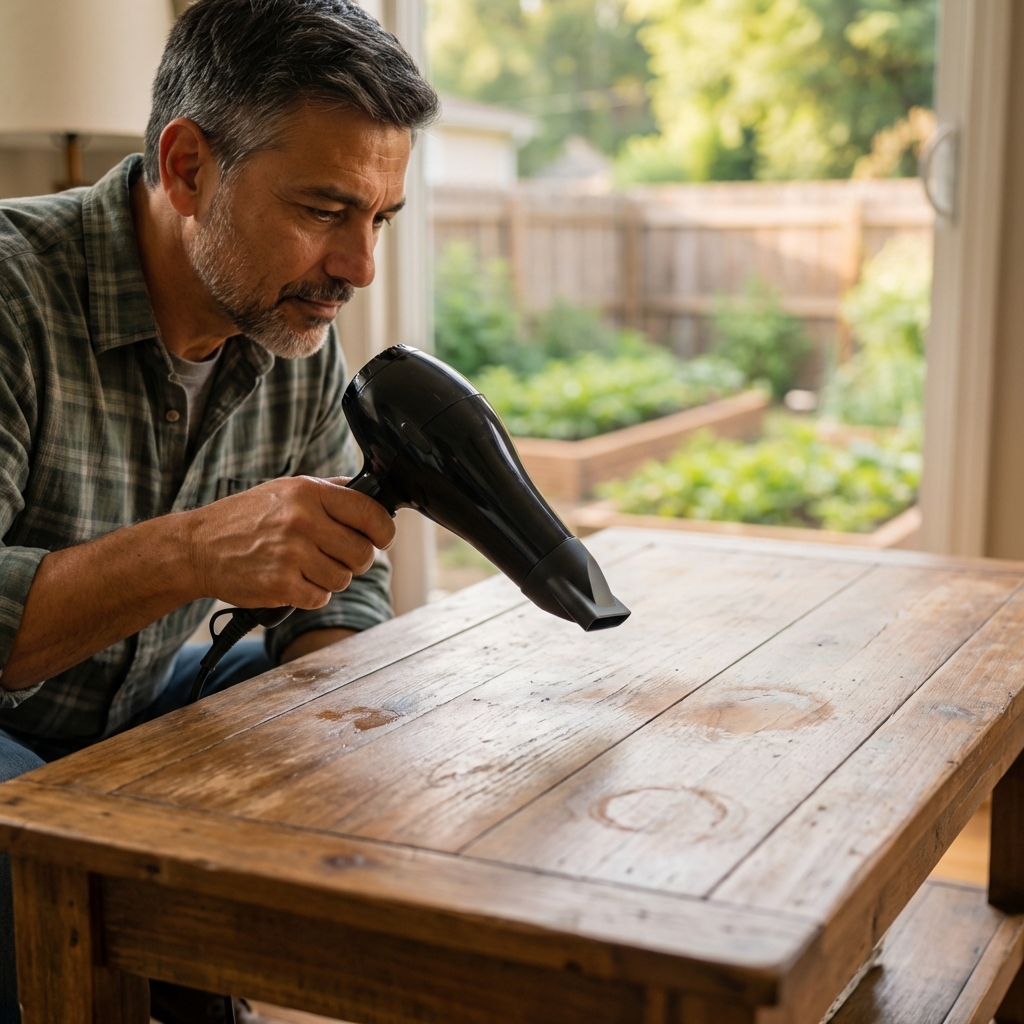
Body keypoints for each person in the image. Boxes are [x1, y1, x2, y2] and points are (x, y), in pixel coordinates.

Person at [0, 1, 439, 1020]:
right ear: (187, 165)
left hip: (132, 700)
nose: (359, 268)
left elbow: (347, 583)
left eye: (379, 219)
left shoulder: (288, 325)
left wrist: (338, 712)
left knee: (336, 710)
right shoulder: (13, 297)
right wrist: (195, 549)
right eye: (325, 209)